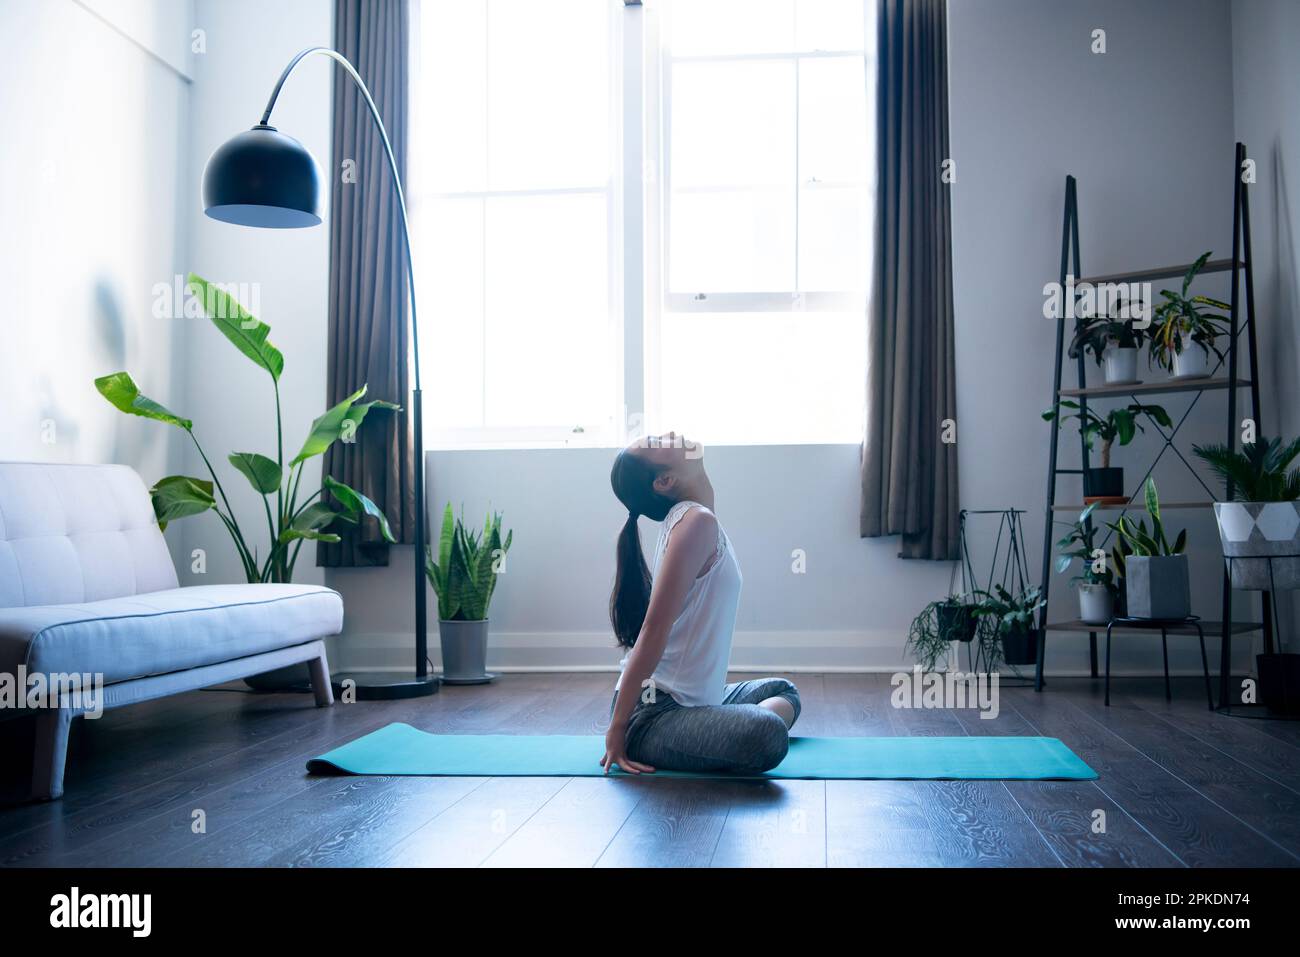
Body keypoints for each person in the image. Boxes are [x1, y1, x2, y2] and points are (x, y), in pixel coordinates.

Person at [601, 431, 800, 775]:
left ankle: (717, 723)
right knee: (767, 735)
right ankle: (721, 727)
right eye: (657, 443)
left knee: (784, 691)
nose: (670, 435)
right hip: (653, 714)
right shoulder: (695, 522)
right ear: (665, 480)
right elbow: (654, 629)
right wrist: (617, 730)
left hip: (693, 702)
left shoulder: (693, 518)